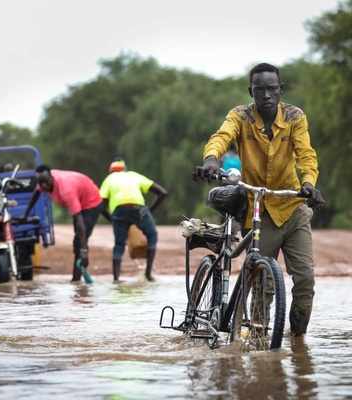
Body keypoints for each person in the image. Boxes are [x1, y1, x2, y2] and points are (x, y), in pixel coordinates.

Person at [193, 63, 325, 336]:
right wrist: (210, 160)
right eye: (259, 89)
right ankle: (258, 338)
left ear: (280, 90)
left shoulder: (294, 117)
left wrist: (309, 183)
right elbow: (221, 137)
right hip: (259, 208)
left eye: (272, 89)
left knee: (305, 281)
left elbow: (306, 155)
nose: (266, 95)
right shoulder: (240, 116)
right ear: (251, 91)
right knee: (263, 282)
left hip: (292, 206)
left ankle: (298, 343)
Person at [23, 165, 103, 282]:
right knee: (78, 243)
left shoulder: (65, 191)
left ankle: (76, 279)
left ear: (52, 178)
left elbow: (79, 221)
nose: (44, 186)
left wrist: (84, 250)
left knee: (79, 242)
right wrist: (25, 215)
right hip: (81, 198)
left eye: (46, 182)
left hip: (91, 203)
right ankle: (77, 279)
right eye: (41, 183)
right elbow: (36, 192)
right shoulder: (44, 181)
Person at [99, 157, 167, 282]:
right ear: (124, 169)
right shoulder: (134, 176)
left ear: (111, 171)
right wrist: (148, 212)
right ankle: (148, 274)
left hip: (118, 212)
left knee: (119, 245)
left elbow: (100, 205)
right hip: (138, 209)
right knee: (152, 235)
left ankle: (116, 279)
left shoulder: (109, 180)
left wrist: (112, 219)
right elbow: (162, 193)